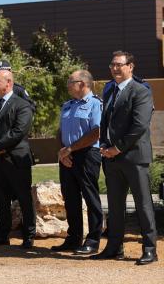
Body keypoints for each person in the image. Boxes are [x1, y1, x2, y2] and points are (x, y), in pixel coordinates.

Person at [94, 51, 157, 264]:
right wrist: (104, 145)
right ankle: (114, 247)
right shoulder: (110, 90)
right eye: (112, 65)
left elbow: (139, 125)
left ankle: (149, 249)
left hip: (134, 157)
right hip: (111, 158)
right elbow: (106, 121)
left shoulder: (141, 91)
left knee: (143, 204)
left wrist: (117, 148)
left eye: (119, 65)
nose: (114, 68)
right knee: (115, 205)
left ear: (131, 66)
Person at [52, 70, 104, 255]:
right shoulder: (67, 105)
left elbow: (96, 132)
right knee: (70, 198)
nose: (67, 84)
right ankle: (74, 238)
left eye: (70, 81)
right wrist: (62, 151)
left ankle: (93, 240)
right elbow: (60, 131)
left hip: (87, 155)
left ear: (82, 83)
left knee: (90, 198)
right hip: (67, 156)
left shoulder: (95, 104)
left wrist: (70, 149)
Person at [0, 68, 35, 249]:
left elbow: (19, 131)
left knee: (24, 199)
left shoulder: (22, 105)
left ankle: (28, 235)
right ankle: (2, 234)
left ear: (9, 83)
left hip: (16, 159)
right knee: (0, 198)